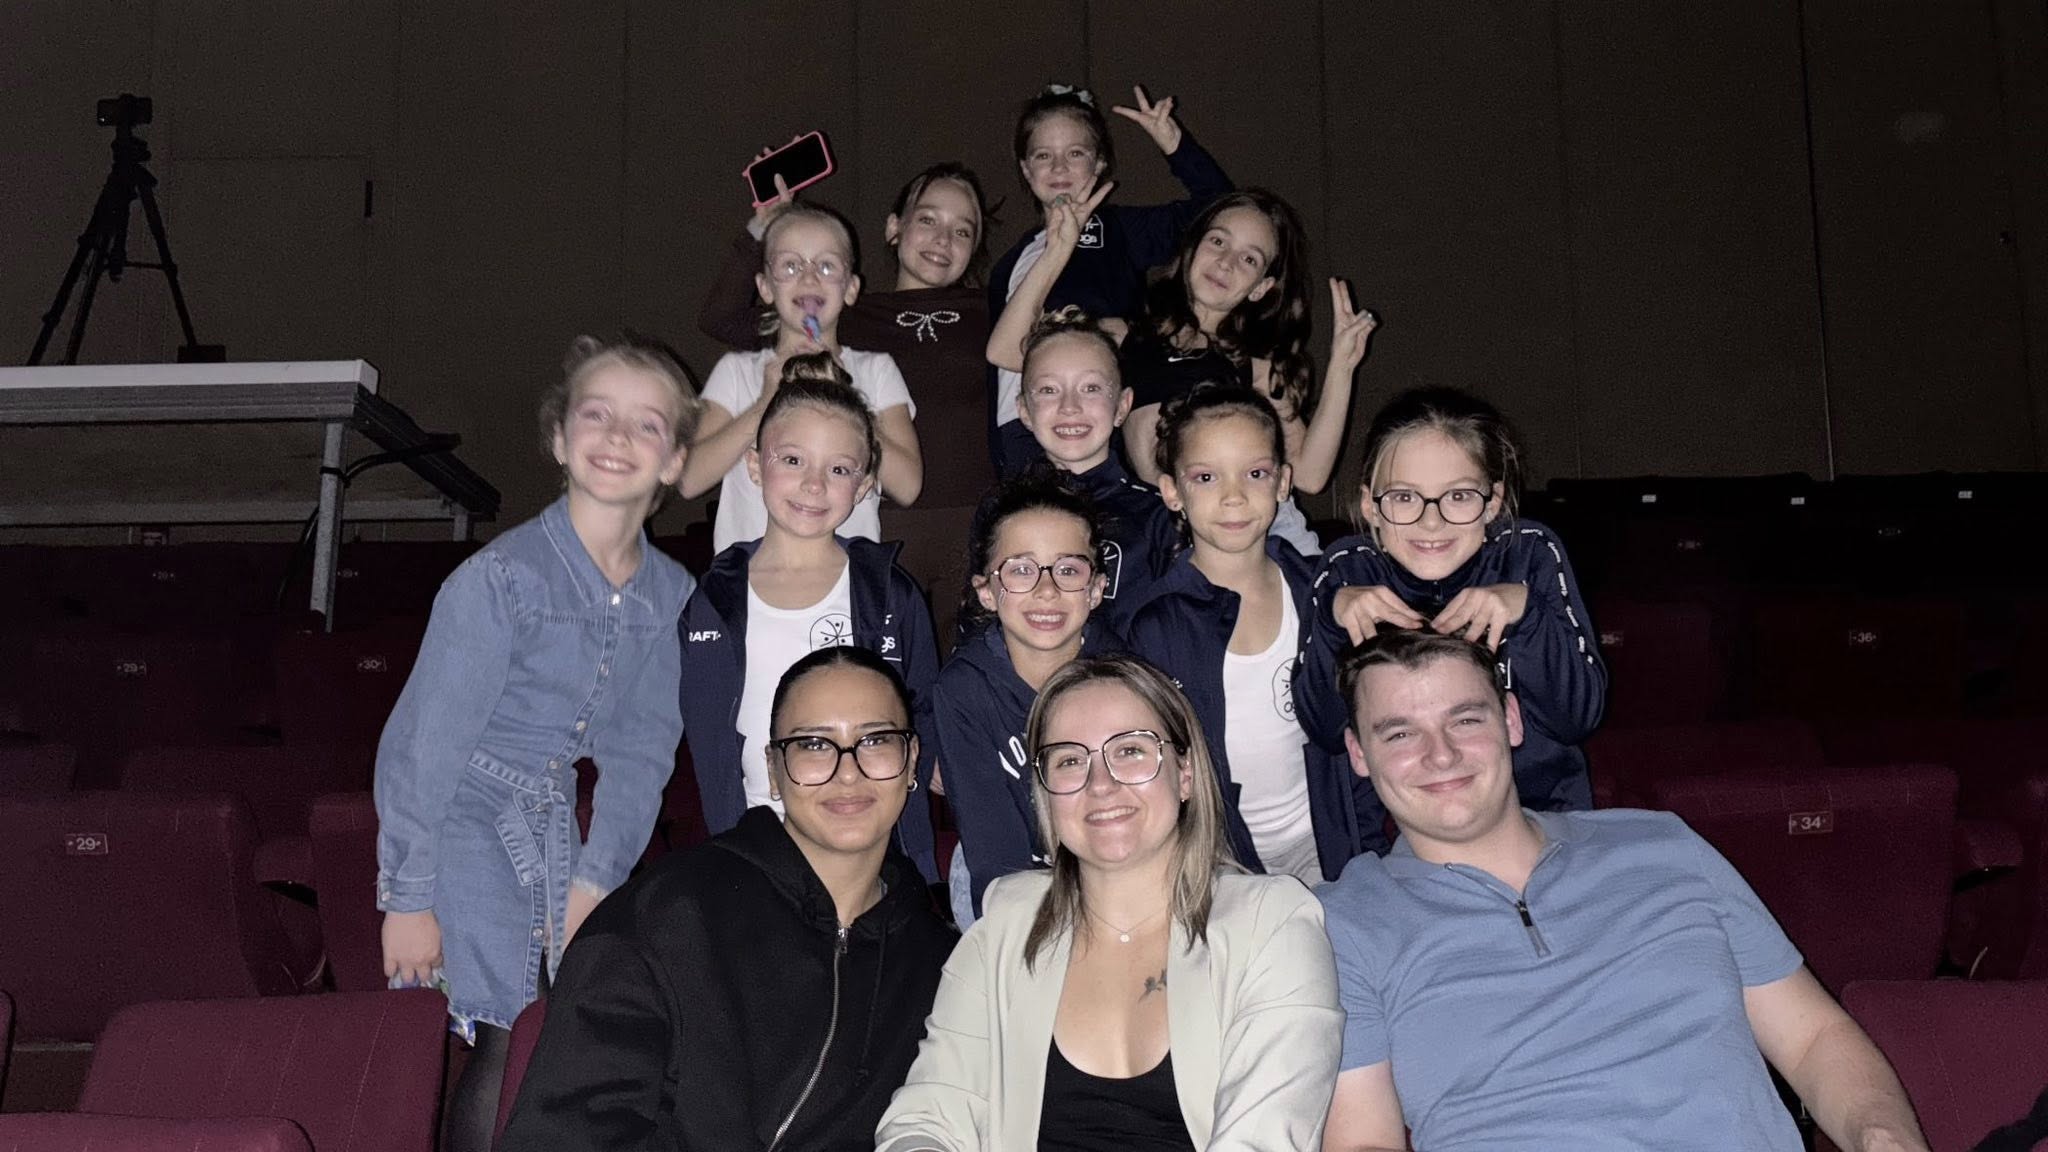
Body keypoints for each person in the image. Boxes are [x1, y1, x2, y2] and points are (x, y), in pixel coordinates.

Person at [1317, 629, 1931, 1152]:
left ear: (1511, 720)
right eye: (1400, 734)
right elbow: (1365, 1140)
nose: (1441, 755)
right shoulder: (1342, 922)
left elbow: (1814, 1039)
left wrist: (1884, 1138)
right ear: (1359, 754)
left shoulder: (1663, 845)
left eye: (1465, 719)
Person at [375, 334, 699, 1152]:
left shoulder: (671, 593)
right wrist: (408, 898)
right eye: (597, 415)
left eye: (647, 424)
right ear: (559, 439)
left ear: (674, 461)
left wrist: (595, 880)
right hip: (465, 814)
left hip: (552, 823)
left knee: (557, 1026)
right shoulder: (501, 580)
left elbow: (641, 754)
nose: (618, 436)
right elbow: (423, 748)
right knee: (507, 1024)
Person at [877, 654, 1343, 1150]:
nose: (1100, 784)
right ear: (1045, 792)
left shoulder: (1273, 925)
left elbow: (1263, 1138)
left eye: (1131, 750)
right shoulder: (1006, 925)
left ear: (1185, 772)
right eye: (1069, 760)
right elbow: (927, 1118)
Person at [500, 646, 955, 1151]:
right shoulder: (667, 913)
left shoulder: (945, 966)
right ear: (774, 770)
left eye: (875, 740)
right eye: (813, 745)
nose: (848, 772)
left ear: (911, 760)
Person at [697, 162, 997, 639]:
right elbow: (723, 318)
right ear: (894, 227)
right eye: (927, 219)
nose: (943, 238)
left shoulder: (989, 310)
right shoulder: (843, 312)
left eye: (962, 230)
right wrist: (765, 226)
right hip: (876, 523)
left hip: (970, 521)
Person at [679, 356, 940, 881]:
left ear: (864, 485)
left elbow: (925, 713)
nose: (814, 484)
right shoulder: (713, 602)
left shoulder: (889, 592)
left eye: (839, 469)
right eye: (793, 460)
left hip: (875, 852)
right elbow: (706, 744)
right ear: (756, 466)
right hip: (757, 855)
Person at [1294, 386, 1604, 814]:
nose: (1431, 521)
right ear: (1370, 506)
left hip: (1537, 814)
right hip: (1394, 826)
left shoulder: (1530, 554)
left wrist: (1527, 614)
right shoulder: (1346, 571)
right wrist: (1333, 625)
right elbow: (1324, 732)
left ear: (1493, 501)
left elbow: (1577, 719)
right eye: (1404, 497)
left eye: (1458, 496)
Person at [1127, 386, 1380, 884]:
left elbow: (1357, 732)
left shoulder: (1321, 594)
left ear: (1283, 481)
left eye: (1256, 473)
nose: (1234, 496)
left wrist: (1366, 848)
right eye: (1206, 477)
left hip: (1329, 845)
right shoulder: (1154, 625)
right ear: (1172, 491)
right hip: (1218, 859)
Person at [986, 84, 1233, 476]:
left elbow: (1220, 211)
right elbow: (1000, 359)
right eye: (1043, 155)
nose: (1059, 167)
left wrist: (1175, 145)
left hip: (1094, 423)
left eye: (1076, 153)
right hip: (1019, 431)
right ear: (1026, 169)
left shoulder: (1116, 230)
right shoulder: (1011, 263)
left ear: (1099, 163)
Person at [933, 473, 1120, 924]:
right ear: (986, 591)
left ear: (1096, 589)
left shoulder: (1124, 677)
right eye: (1021, 569)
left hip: (1110, 868)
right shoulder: (964, 690)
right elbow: (994, 856)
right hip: (1013, 879)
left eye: (1068, 570)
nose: (1046, 590)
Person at [683, 203, 923, 550]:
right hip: (750, 575)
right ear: (765, 287)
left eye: (826, 266)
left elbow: (908, 486)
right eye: (790, 265)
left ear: (851, 288)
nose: (809, 278)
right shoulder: (737, 372)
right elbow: (689, 479)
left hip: (847, 575)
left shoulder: (876, 371)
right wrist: (764, 403)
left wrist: (847, 400)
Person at [994, 307, 1180, 636]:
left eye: (1091, 388)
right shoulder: (1001, 511)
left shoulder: (1158, 516)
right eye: (1049, 390)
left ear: (1122, 406)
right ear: (1024, 410)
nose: (1070, 407)